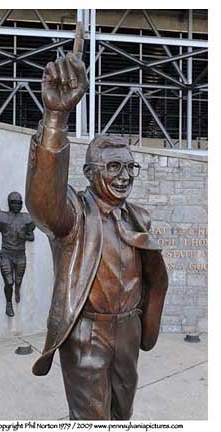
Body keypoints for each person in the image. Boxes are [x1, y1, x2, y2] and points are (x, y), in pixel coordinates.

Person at [25, 23, 168, 420]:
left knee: (121, 414)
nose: (124, 176)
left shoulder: (138, 216)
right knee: (91, 419)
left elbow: (151, 276)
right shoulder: (72, 215)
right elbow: (42, 203)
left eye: (130, 167)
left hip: (128, 332)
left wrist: (141, 325)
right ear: (89, 173)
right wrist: (55, 117)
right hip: (87, 333)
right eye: (114, 167)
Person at [0, 192, 35, 317]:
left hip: (20, 254)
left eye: (19, 203)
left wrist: (24, 236)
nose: (17, 205)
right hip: (7, 254)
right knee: (9, 281)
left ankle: (17, 290)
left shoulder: (26, 218)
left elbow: (31, 237)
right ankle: (9, 303)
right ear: (9, 203)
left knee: (18, 280)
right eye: (14, 202)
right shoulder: (2, 217)